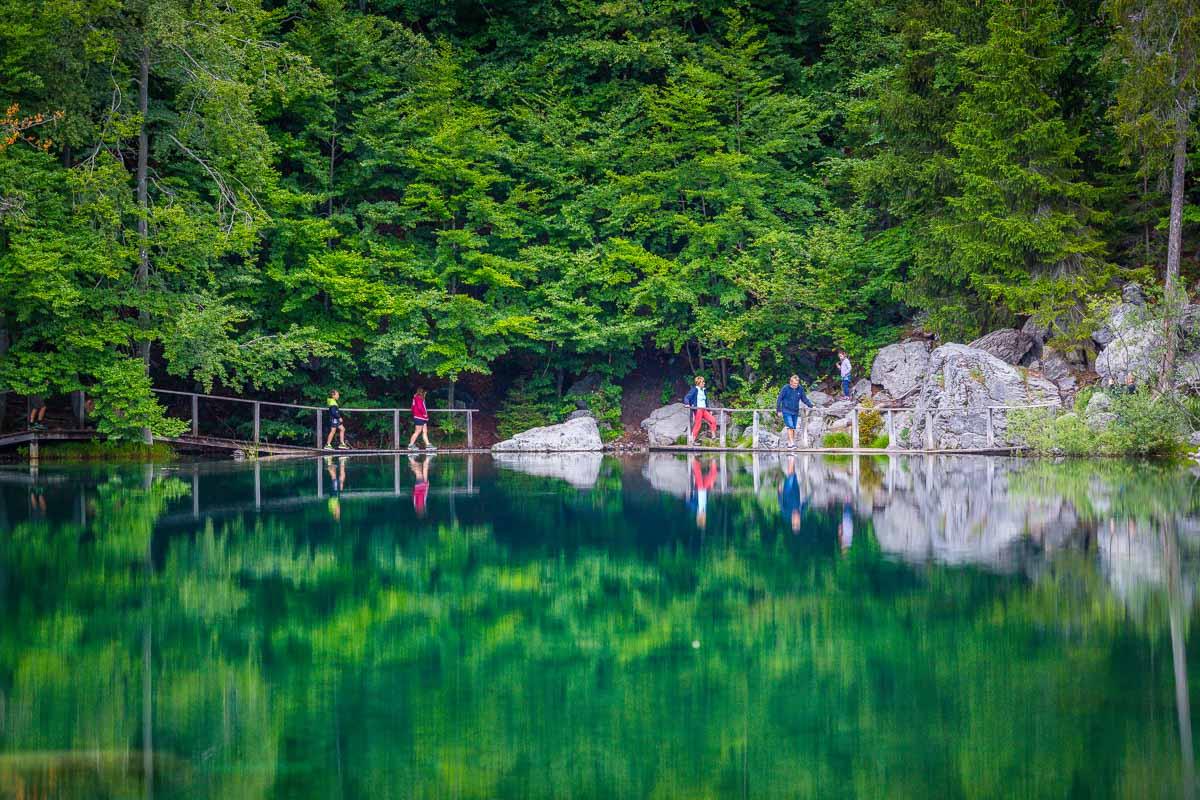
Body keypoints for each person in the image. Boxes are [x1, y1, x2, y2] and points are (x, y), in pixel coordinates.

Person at [776, 374, 815, 449]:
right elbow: (779, 399)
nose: (796, 385)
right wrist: (778, 410)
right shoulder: (785, 388)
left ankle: (790, 443)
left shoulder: (800, 389)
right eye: (794, 383)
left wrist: (811, 405)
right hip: (786, 410)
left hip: (795, 411)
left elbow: (804, 399)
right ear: (790, 382)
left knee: (793, 428)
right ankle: (792, 443)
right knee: (790, 426)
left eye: (797, 383)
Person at [778, 455, 809, 534]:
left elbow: (781, 503)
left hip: (787, 492)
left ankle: (791, 457)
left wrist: (779, 492)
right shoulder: (802, 513)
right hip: (796, 490)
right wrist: (810, 495)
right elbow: (806, 503)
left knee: (790, 475)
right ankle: (791, 458)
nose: (797, 520)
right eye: (798, 523)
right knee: (793, 474)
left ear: (792, 523)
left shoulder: (786, 513)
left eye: (795, 523)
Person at [684, 376, 718, 442]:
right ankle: (692, 440)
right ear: (699, 383)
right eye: (702, 382)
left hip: (704, 410)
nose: (704, 383)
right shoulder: (694, 390)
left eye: (704, 382)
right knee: (698, 424)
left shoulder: (704, 390)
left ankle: (713, 435)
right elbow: (687, 397)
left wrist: (709, 410)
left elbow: (706, 401)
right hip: (698, 409)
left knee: (713, 420)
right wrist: (687, 404)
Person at [688, 456, 719, 530]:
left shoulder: (696, 509)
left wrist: (691, 494)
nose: (702, 515)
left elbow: (690, 501)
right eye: (703, 516)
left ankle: (695, 461)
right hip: (704, 489)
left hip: (699, 489)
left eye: (701, 516)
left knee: (698, 474)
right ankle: (713, 462)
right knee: (712, 477)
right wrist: (710, 488)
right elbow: (706, 498)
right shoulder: (704, 509)